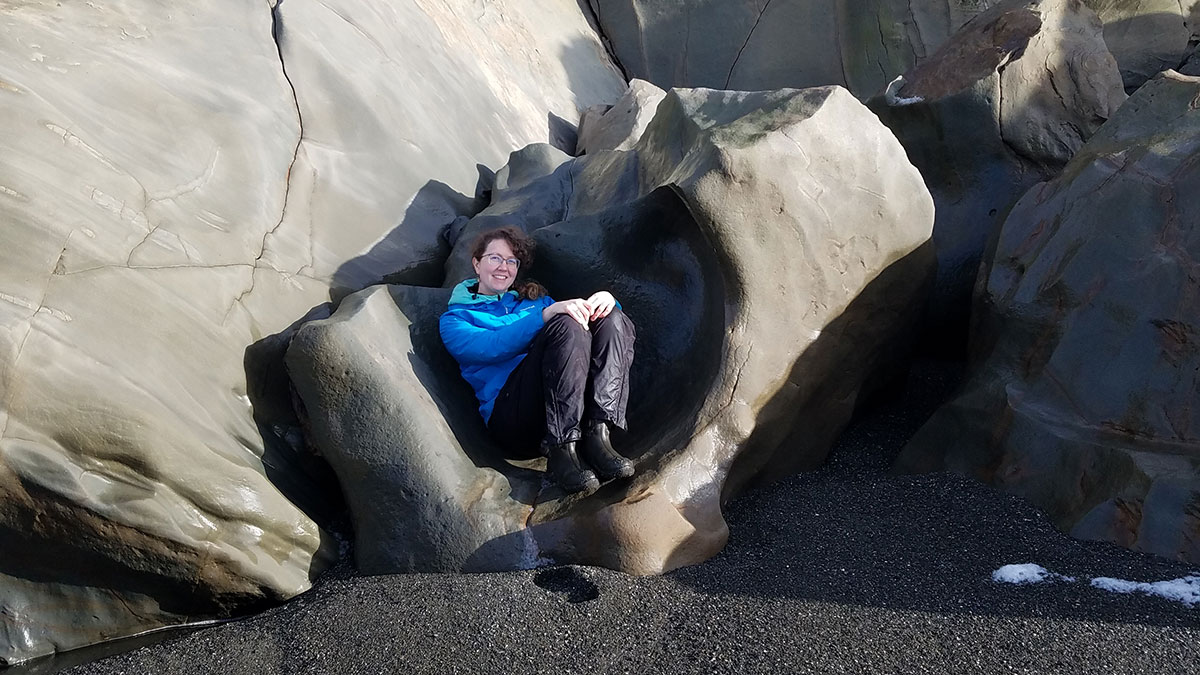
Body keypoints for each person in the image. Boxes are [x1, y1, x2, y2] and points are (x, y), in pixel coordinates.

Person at [439, 226, 636, 494]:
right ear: (477, 263)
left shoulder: (533, 301)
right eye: (495, 258)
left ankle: (597, 434)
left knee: (612, 319)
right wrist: (546, 315)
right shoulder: (455, 319)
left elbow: (583, 323)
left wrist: (607, 303)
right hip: (512, 418)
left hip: (563, 406)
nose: (503, 267)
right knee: (565, 325)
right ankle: (561, 450)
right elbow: (491, 347)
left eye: (511, 261)